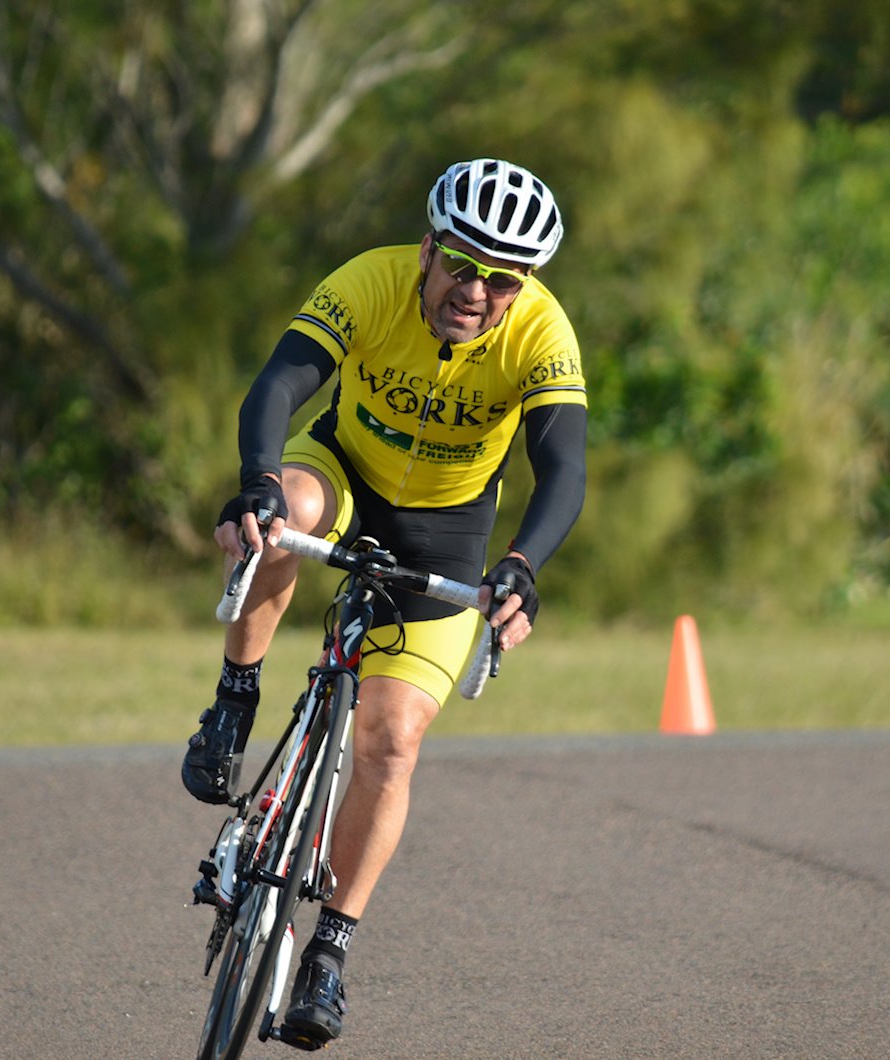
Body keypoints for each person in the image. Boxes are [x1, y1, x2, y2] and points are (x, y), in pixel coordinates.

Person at [182, 158, 587, 1050]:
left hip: (447, 528)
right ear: (428, 250)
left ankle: (330, 946)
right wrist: (255, 485)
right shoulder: (369, 280)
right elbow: (279, 387)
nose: (477, 291)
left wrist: (521, 566)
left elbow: (563, 467)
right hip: (347, 473)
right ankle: (232, 703)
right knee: (285, 511)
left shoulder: (542, 336)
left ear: (524, 287)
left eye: (503, 278)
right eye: (464, 264)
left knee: (392, 738)